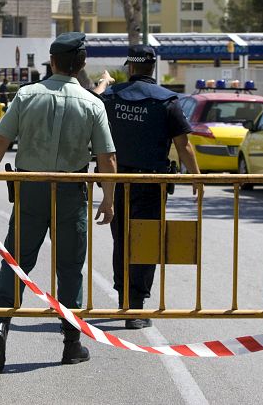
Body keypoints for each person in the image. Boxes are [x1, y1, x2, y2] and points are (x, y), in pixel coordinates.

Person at [0, 32, 117, 371]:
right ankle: (71, 343)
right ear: (81, 65)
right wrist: (108, 200)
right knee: (70, 266)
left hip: (30, 188)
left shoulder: (27, 95)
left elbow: (0, 140)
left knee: (17, 259)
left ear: (52, 61)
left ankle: (0, 326)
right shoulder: (92, 103)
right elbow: (106, 157)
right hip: (70, 190)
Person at [95, 44, 200, 328]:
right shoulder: (167, 100)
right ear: (152, 67)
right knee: (145, 241)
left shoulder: (111, 98)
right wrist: (197, 178)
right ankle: (136, 307)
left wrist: (104, 84)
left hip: (116, 182)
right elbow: (184, 146)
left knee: (121, 240)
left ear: (130, 66)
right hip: (151, 183)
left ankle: (124, 301)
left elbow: (92, 110)